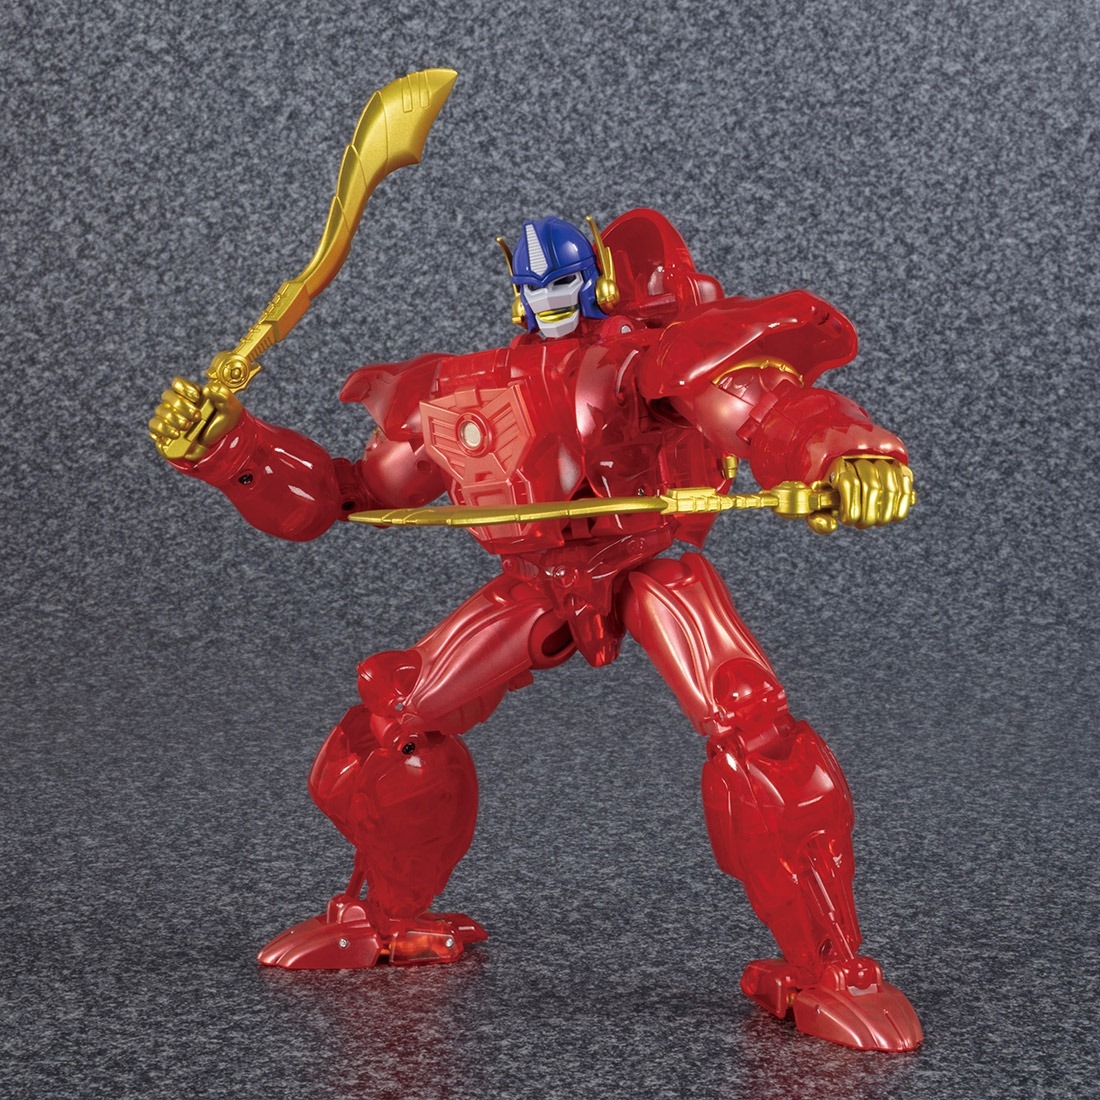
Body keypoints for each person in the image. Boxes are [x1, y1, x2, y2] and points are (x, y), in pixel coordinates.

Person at [151, 208, 920, 1051]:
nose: (549, 297)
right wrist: (233, 450)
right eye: (535, 284)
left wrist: (845, 453)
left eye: (563, 282)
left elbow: (761, 409)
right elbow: (350, 491)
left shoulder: (641, 361)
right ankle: (388, 915)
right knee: (395, 717)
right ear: (516, 291)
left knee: (755, 729)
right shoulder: (461, 386)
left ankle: (828, 968)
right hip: (539, 582)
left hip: (647, 565)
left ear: (595, 281)